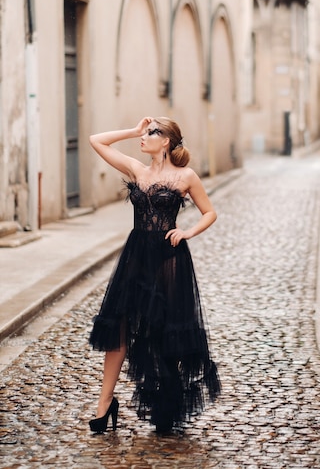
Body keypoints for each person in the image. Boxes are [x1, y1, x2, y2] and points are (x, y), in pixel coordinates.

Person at [88, 116, 221, 435]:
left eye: (151, 133)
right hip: (136, 256)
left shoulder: (186, 176)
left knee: (166, 331)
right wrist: (132, 130)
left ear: (167, 142)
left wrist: (187, 232)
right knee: (118, 326)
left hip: (169, 259)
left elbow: (210, 212)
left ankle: (167, 404)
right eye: (144, 133)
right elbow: (97, 140)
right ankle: (104, 404)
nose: (143, 138)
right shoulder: (138, 169)